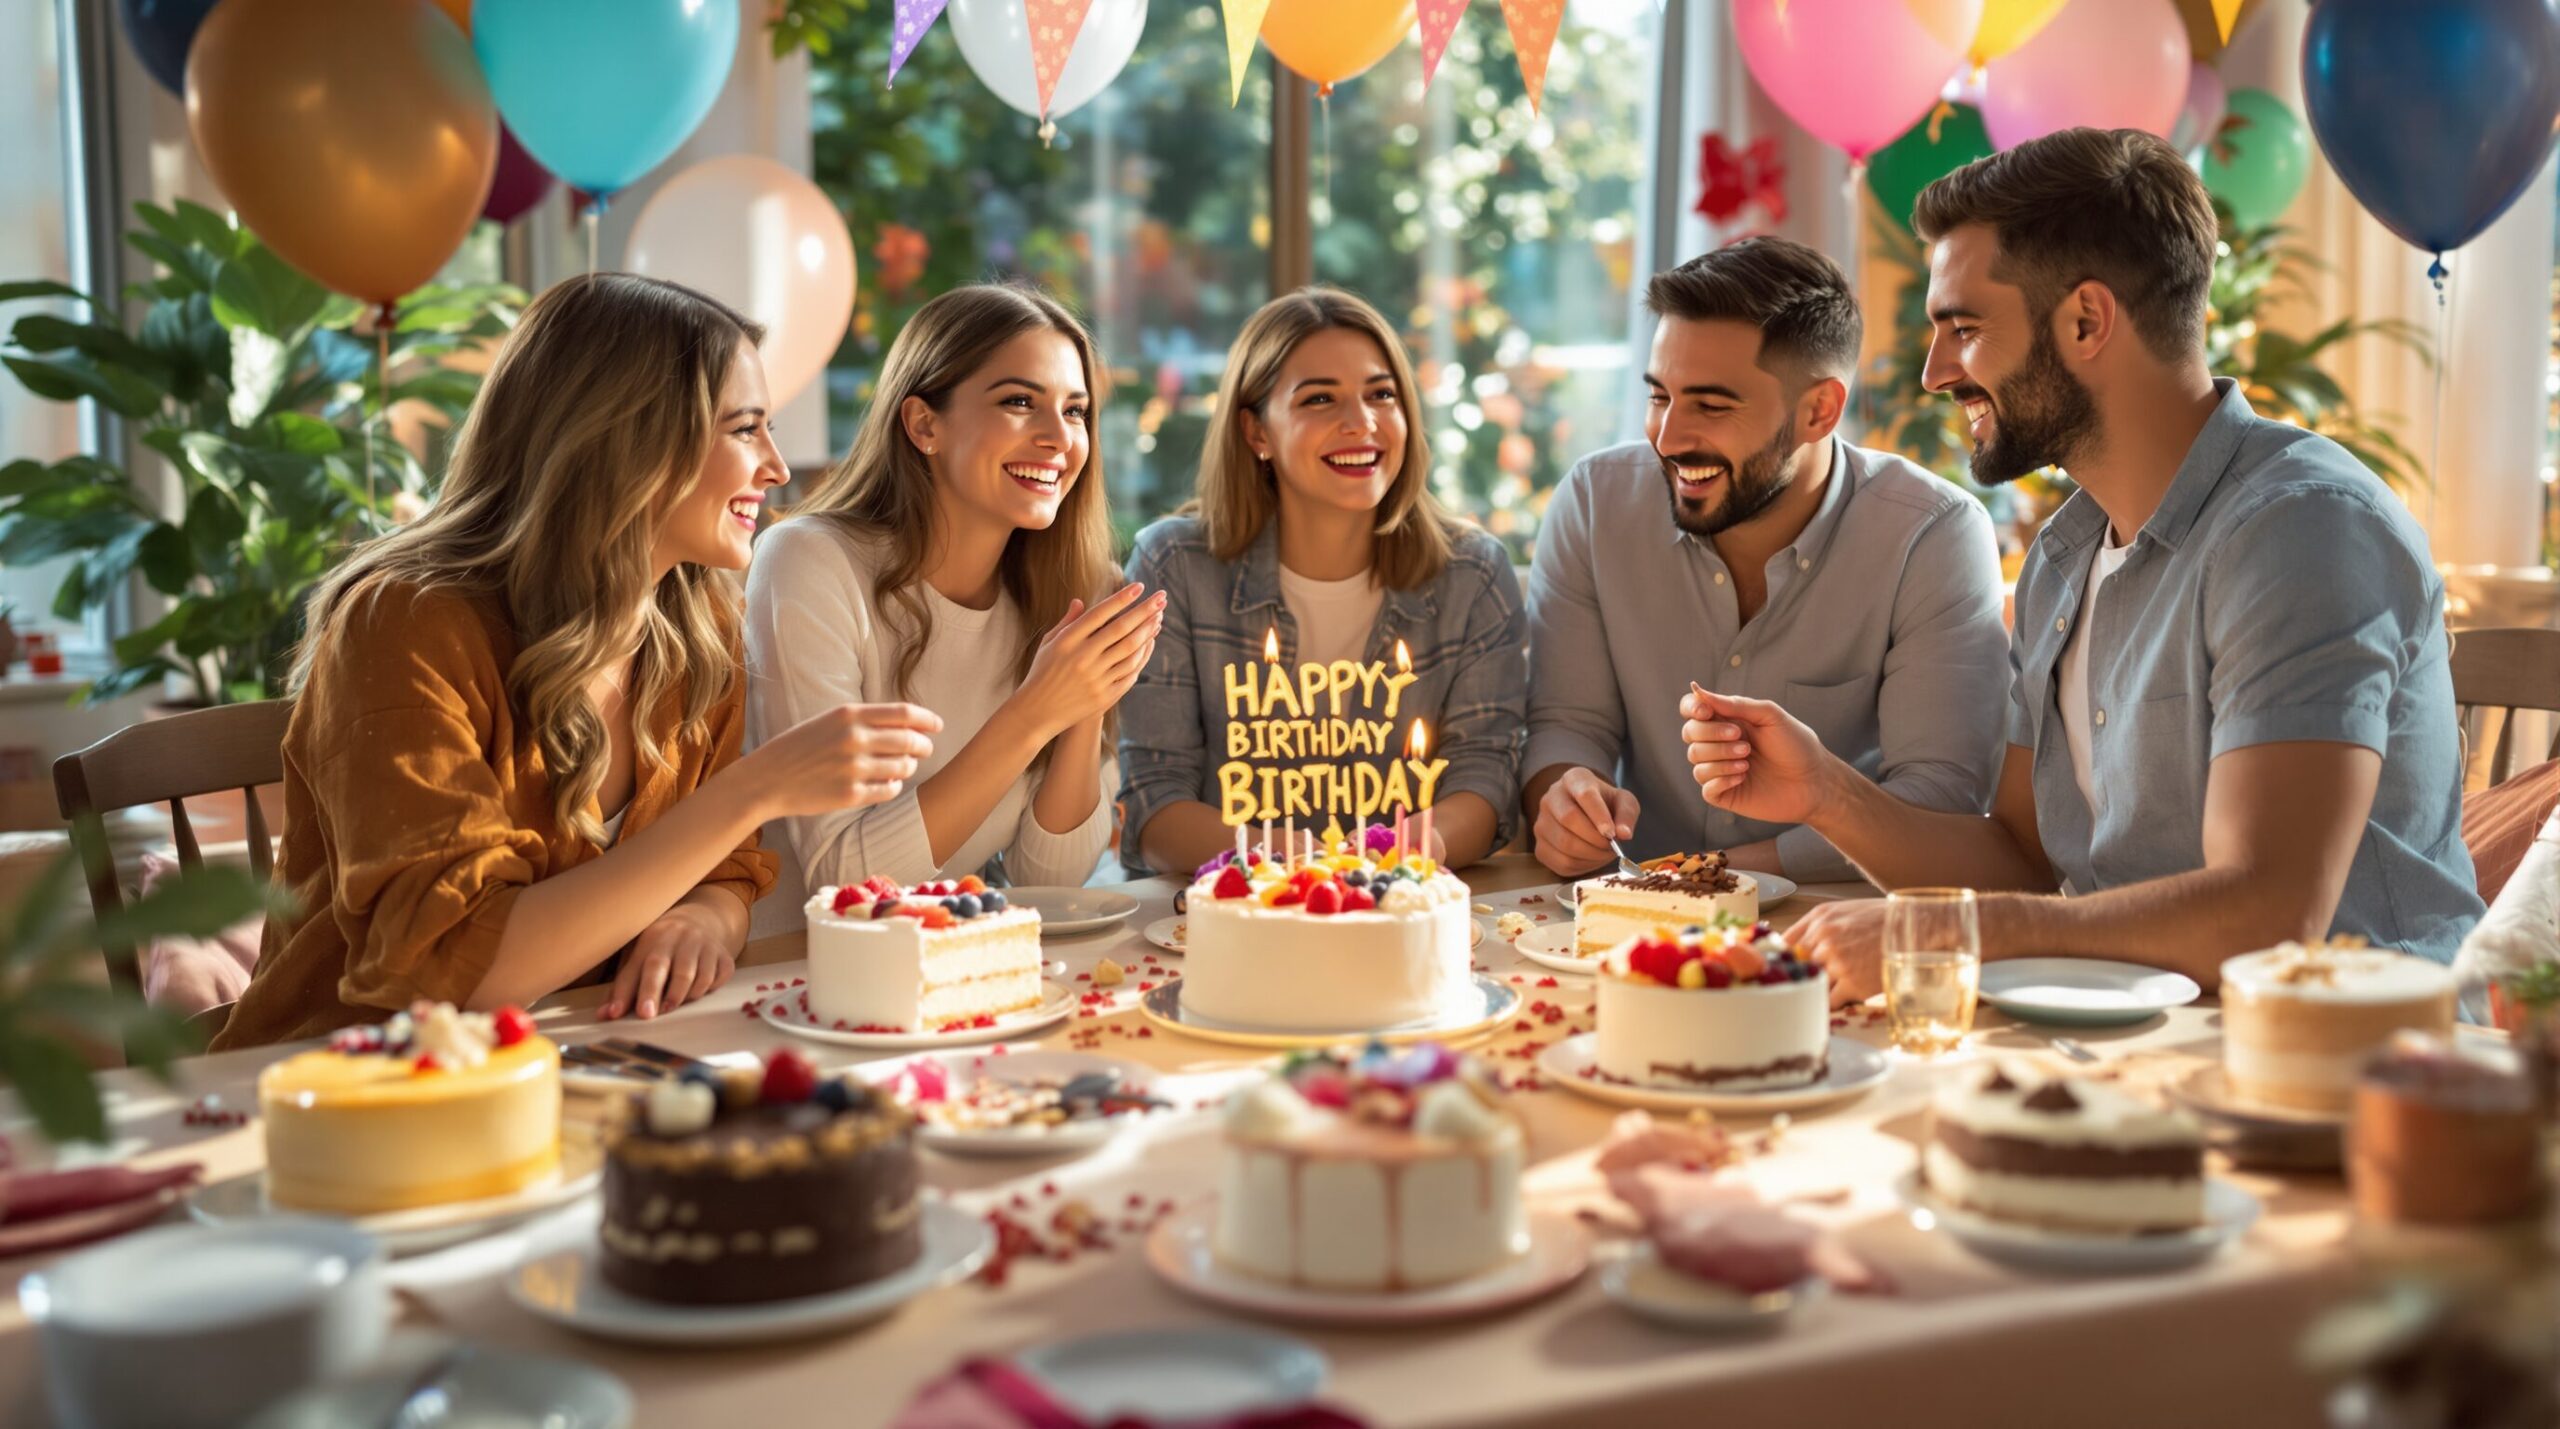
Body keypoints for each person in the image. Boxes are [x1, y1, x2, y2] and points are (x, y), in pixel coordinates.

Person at [1682, 128, 2483, 1003]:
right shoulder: (2063, 558)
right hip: (2141, 1049)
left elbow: (2268, 913)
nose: (1935, 371)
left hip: (2357, 1083)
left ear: (2087, 320)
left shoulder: (2303, 530)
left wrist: (1952, 934)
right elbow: (2021, 863)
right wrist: (1825, 791)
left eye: (1964, 327)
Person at [217, 274, 938, 1048]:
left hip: (579, 1063)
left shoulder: (695, 634)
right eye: (744, 429)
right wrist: (756, 788)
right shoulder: (404, 624)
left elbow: (722, 869)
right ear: (629, 442)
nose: (777, 466)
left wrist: (704, 917)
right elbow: (453, 968)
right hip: (347, 1089)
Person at [1524, 237, 2007, 881]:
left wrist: (1700, 873)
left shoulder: (1932, 536)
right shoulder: (1594, 503)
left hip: (1837, 920)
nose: (1667, 440)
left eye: (1711, 405)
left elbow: (1942, 799)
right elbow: (1565, 724)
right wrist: (1565, 800)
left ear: (1819, 411)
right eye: (1660, 396)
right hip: (1625, 914)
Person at [746, 283, 1146, 922]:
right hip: (781, 973)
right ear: (924, 425)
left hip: (943, 974)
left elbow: (1052, 875)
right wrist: (1034, 711)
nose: (1058, 438)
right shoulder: (809, 561)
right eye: (1020, 402)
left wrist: (1082, 708)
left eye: (1075, 412)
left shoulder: (1080, 585)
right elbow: (844, 879)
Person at [1118, 287, 1526, 875]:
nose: (1361, 423)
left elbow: (1485, 780)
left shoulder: (1473, 574)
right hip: (1223, 929)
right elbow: (1157, 807)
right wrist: (1318, 869)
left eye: (1381, 394)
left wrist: (1396, 859)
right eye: (1319, 400)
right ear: (1257, 433)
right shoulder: (1174, 568)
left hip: (1399, 917)